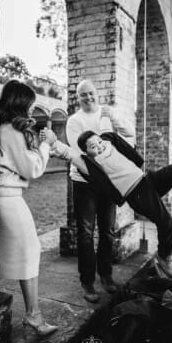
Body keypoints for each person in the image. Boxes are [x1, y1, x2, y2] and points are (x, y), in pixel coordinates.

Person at [51, 119, 172, 279]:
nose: (99, 146)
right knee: (167, 223)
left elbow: (106, 127)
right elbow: (70, 154)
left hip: (146, 180)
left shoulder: (109, 142)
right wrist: (53, 142)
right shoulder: (91, 164)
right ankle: (165, 256)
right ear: (88, 153)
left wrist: (107, 115)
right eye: (93, 147)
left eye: (99, 142)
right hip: (137, 194)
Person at [66, 79, 135, 303]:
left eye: (91, 93)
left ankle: (106, 275)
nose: (88, 97)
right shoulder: (74, 121)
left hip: (108, 181)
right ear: (79, 98)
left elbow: (129, 132)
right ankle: (87, 281)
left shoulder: (108, 114)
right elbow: (82, 153)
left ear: (98, 94)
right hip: (84, 181)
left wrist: (112, 117)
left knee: (108, 230)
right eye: (83, 95)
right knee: (86, 233)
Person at [0, 79, 58, 335]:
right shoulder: (11, 130)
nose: (32, 110)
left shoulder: (3, 128)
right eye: (30, 105)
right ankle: (33, 315)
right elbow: (31, 168)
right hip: (9, 197)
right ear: (21, 103)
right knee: (30, 250)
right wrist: (46, 144)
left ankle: (34, 314)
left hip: (6, 195)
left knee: (26, 251)